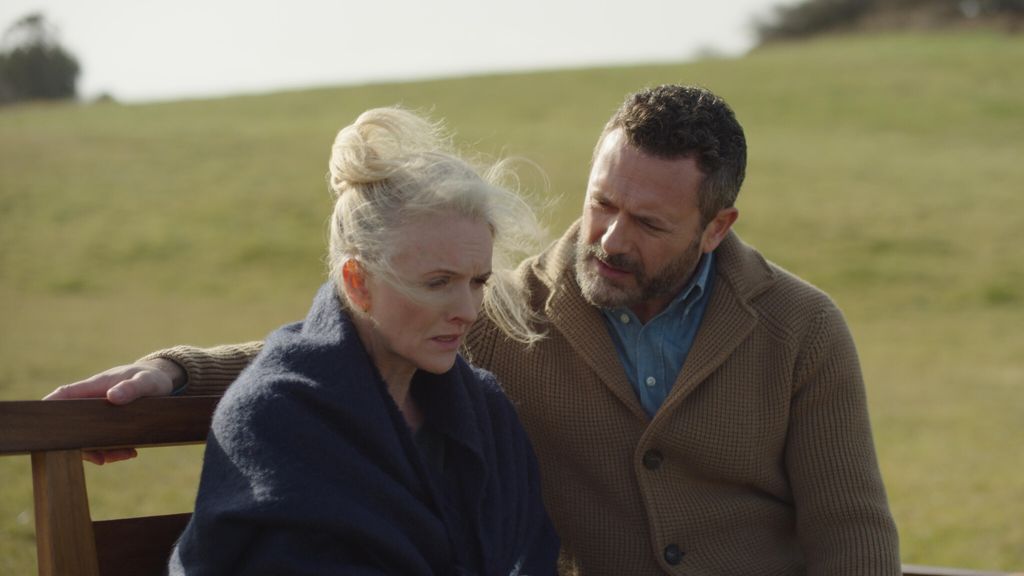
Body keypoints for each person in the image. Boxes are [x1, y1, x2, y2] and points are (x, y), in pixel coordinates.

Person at [51, 85, 901, 575]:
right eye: (601, 202)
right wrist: (175, 370)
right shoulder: (501, 308)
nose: (608, 239)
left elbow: (853, 537)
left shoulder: (800, 330)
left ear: (716, 228)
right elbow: (354, 338)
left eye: (647, 223)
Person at [159, 107, 559, 574]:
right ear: (358, 281)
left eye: (477, 281)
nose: (468, 311)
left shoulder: (485, 410)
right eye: (438, 282)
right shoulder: (275, 417)